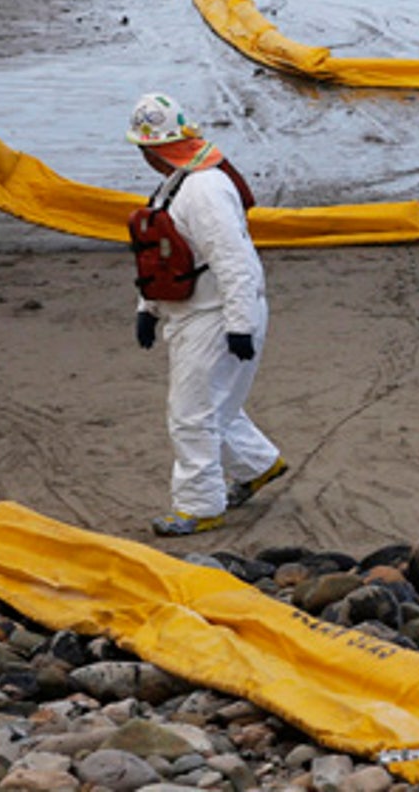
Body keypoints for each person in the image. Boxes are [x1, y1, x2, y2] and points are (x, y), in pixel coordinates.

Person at [126, 92, 286, 537]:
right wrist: (149, 309)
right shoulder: (177, 183)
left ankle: (199, 506)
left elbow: (235, 261)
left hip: (214, 315)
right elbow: (163, 254)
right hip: (195, 310)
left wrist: (239, 325)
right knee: (219, 406)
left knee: (191, 414)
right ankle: (259, 465)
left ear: (151, 148)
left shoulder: (202, 189)